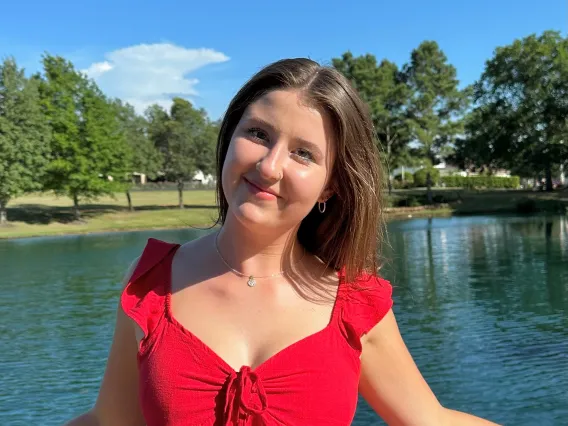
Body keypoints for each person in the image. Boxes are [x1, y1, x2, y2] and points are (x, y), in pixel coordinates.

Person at [65, 58, 499, 426]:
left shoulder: (354, 302)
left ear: (330, 187)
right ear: (230, 138)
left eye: (303, 153)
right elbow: (108, 421)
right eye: (257, 134)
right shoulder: (150, 283)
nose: (270, 166)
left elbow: (431, 420)